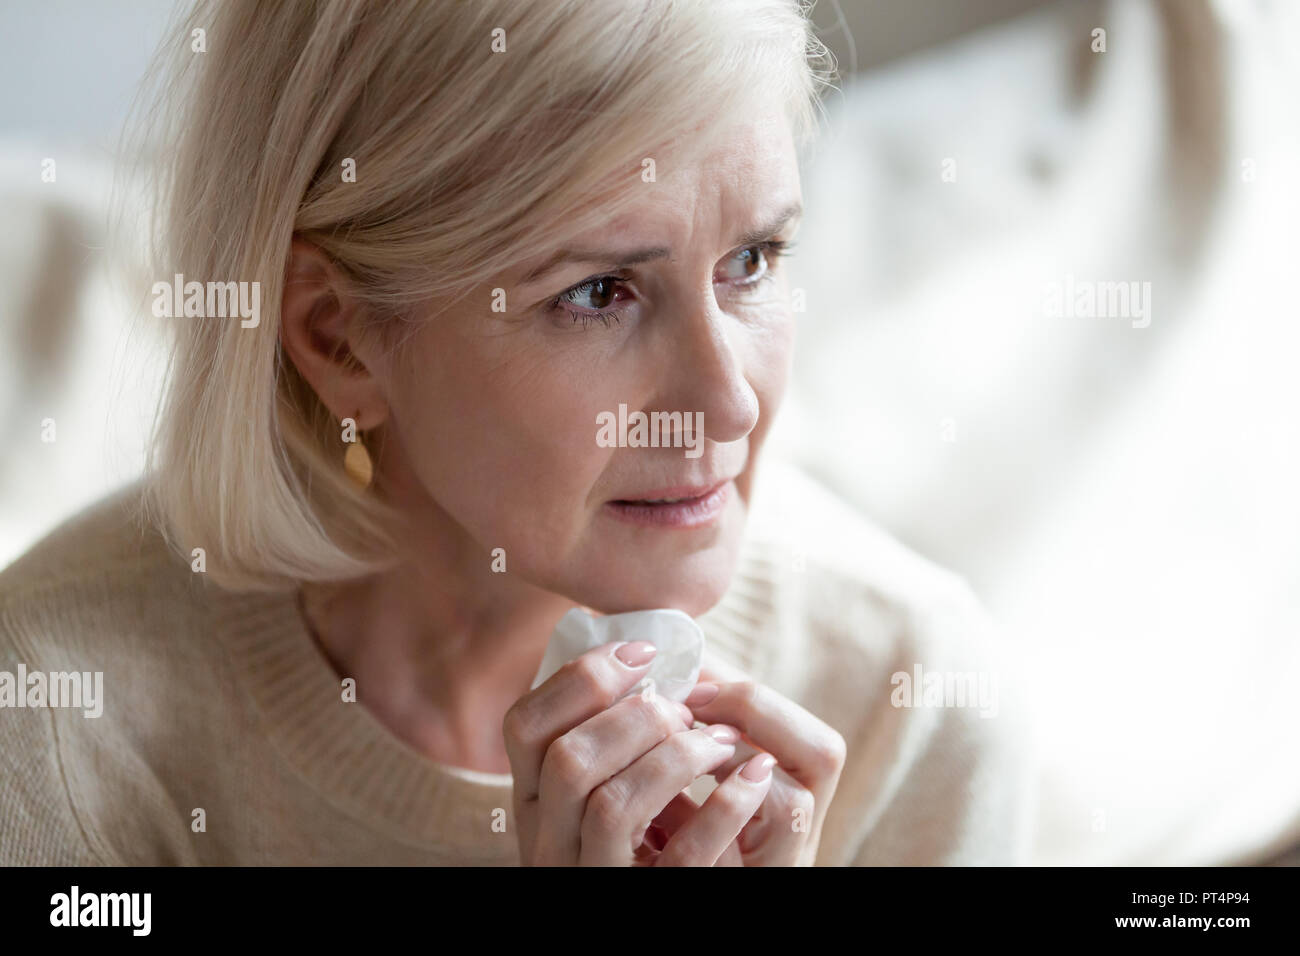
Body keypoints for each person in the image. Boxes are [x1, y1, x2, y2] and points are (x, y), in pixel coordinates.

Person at [0, 0, 1034, 865]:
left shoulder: (912, 697)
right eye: (599, 292)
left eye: (753, 259)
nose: (730, 405)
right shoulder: (57, 715)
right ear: (338, 337)